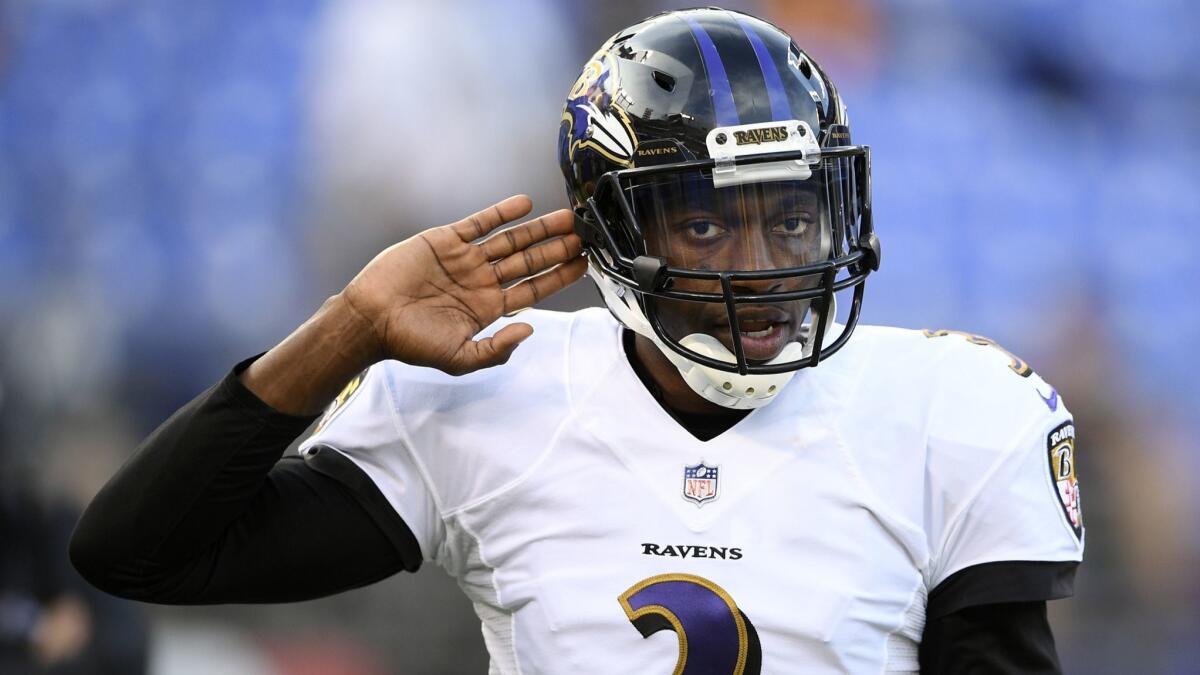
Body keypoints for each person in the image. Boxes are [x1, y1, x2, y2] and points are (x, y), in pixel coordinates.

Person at [69, 8, 1083, 674]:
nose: (761, 260)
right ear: (611, 229)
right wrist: (347, 331)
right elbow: (141, 552)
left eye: (790, 217)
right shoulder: (499, 391)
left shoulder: (952, 412)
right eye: (705, 221)